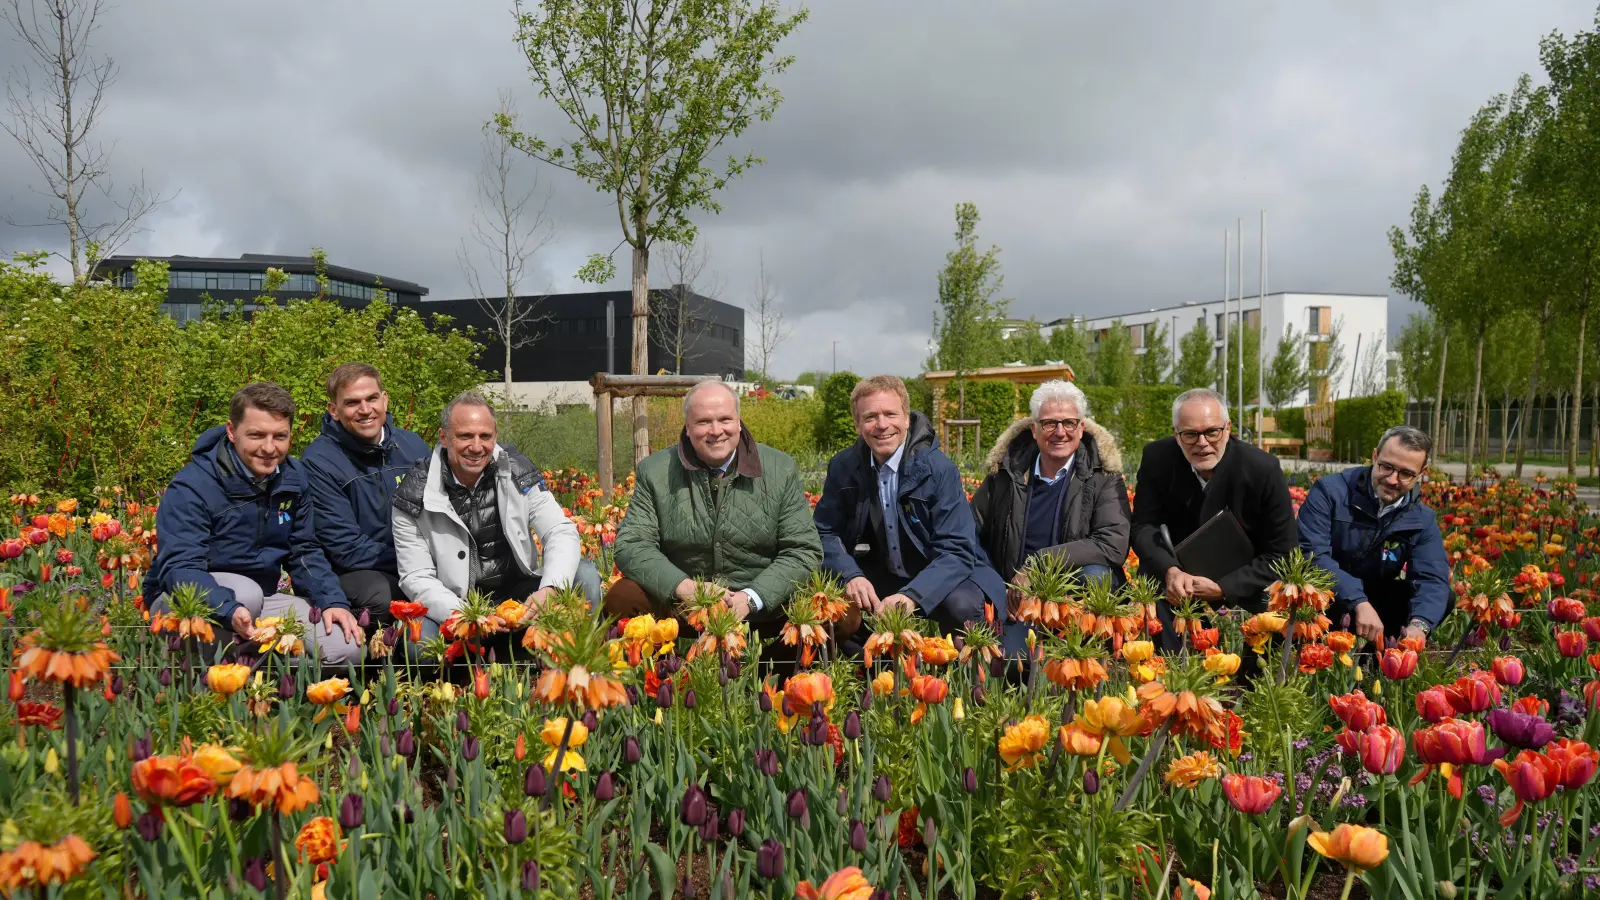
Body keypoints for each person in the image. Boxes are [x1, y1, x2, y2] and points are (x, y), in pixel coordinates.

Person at [144, 382, 363, 666]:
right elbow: (180, 567)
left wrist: (332, 601)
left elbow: (305, 551)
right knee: (246, 593)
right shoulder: (193, 486)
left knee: (345, 648)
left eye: (279, 436)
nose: (269, 448)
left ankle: (267, 685)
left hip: (262, 599)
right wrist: (228, 607)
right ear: (232, 432)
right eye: (257, 435)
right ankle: (207, 679)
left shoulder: (293, 478)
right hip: (186, 598)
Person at [607, 381, 823, 629]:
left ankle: (770, 667)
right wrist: (686, 588)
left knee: (840, 613)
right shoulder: (655, 471)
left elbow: (803, 550)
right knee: (622, 596)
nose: (716, 430)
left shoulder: (780, 468)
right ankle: (668, 666)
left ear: (738, 423)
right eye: (703, 422)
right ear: (688, 427)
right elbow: (632, 544)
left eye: (725, 419)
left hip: (763, 602)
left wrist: (752, 597)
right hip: (684, 603)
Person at [391, 390, 601, 635]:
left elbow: (559, 531)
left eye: (485, 436)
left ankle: (579, 662)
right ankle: (468, 668)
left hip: (521, 595)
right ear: (444, 437)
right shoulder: (414, 494)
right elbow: (416, 577)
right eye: (465, 436)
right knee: (416, 643)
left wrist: (551, 588)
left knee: (584, 574)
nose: (477, 446)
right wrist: (469, 616)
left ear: (496, 436)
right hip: (458, 604)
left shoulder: (517, 472)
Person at [813, 375, 1006, 637]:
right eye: (870, 417)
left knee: (962, 606)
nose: (882, 425)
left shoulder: (938, 470)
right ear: (857, 424)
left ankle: (964, 670)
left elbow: (957, 550)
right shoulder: (844, 467)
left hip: (942, 570)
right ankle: (866, 668)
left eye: (890, 414)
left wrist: (913, 595)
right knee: (828, 602)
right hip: (882, 570)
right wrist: (851, 575)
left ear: (906, 417)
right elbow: (824, 532)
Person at [1129, 388, 1297, 652]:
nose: (1202, 443)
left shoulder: (1262, 469)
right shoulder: (1157, 458)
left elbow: (1282, 552)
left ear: (1228, 429)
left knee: (1276, 615)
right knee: (1153, 593)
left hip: (1244, 579)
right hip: (1175, 579)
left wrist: (1224, 588)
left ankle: (1251, 685)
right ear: (1176, 433)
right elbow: (1142, 526)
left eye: (1212, 432)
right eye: (1190, 434)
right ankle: (1167, 675)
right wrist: (1170, 570)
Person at [970, 380, 1129, 651]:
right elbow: (969, 533)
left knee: (1097, 575)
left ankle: (1083, 654)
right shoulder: (1005, 475)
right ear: (1033, 429)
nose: (1059, 432)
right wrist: (999, 588)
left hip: (1072, 596)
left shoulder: (1103, 476)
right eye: (1049, 423)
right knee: (1012, 665)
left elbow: (1111, 543)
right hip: (1016, 597)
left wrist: (1038, 564)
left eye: (1068, 423)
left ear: (1081, 428)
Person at [301, 363, 430, 625]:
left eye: (372, 398)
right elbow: (346, 548)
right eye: (352, 403)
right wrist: (417, 563)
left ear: (384, 399)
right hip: (357, 570)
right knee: (384, 596)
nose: (365, 410)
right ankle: (375, 659)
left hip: (416, 561)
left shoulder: (412, 445)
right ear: (334, 411)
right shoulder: (319, 461)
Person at [1297, 425, 1451, 644]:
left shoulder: (1421, 518)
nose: (1392, 479)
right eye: (1386, 467)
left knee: (1443, 598)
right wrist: (1358, 600)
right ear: (1375, 456)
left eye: (1406, 473)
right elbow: (1311, 554)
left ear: (1422, 474)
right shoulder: (1330, 492)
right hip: (1323, 595)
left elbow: (1432, 578)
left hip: (1375, 604)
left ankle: (1382, 657)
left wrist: (1420, 625)